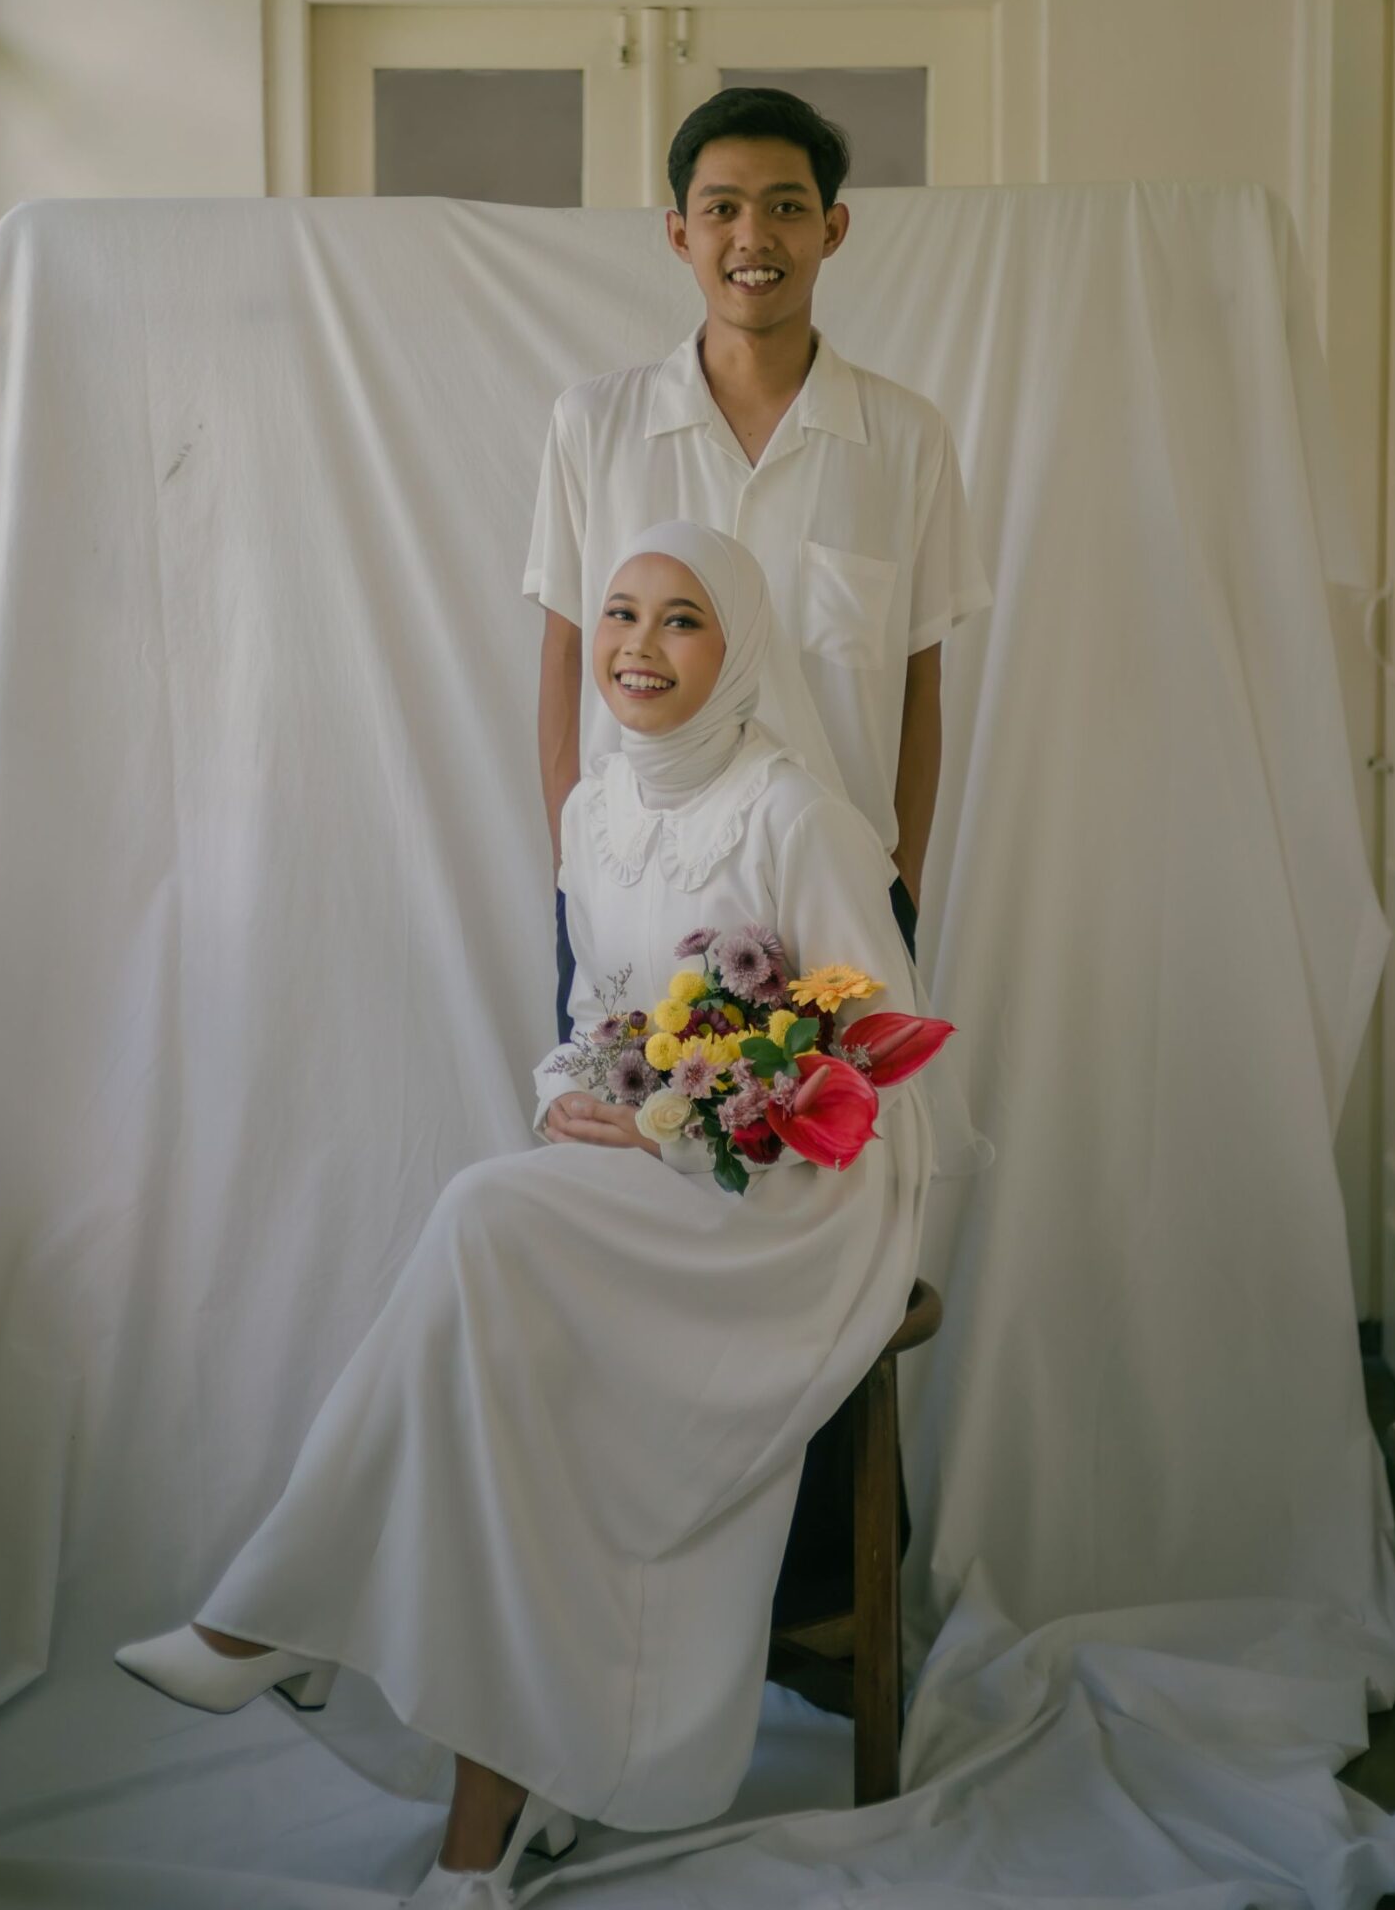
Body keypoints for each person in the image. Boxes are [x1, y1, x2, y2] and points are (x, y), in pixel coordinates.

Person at [115, 524, 984, 1905]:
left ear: (737, 648)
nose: (637, 645)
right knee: (504, 1357)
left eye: (681, 618)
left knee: (481, 1220)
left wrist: (706, 1114)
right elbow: (594, 1023)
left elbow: (875, 1058)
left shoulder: (794, 817)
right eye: (620, 613)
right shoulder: (591, 812)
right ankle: (476, 1814)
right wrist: (580, 1097)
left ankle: (278, 1619)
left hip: (792, 1203)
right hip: (643, 1180)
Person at [527, 85, 989, 1037]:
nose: (752, 237)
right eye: (721, 209)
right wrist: (575, 869)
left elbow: (919, 678)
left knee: (848, 1134)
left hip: (838, 899)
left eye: (785, 206)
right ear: (678, 233)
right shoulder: (594, 426)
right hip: (632, 890)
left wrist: (898, 881)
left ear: (832, 228)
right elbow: (565, 655)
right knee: (623, 1127)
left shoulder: (904, 437)